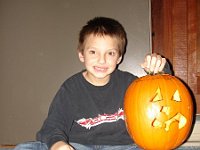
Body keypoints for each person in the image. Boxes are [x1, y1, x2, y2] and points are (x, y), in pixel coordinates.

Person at [14, 17, 170, 150]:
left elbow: (162, 95)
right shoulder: (71, 88)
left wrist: (160, 69)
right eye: (93, 52)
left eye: (110, 53)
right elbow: (52, 126)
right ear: (82, 55)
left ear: (119, 58)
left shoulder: (129, 83)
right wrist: (58, 145)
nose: (101, 60)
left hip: (124, 146)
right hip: (79, 146)